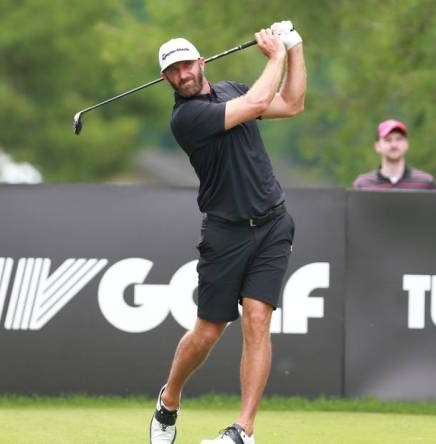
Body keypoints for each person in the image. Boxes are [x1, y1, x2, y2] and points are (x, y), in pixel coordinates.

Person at [149, 21, 305, 444]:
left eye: (186, 64)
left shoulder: (231, 89)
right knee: (208, 331)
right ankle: (169, 399)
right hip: (226, 232)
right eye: (172, 71)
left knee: (258, 321)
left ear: (201, 62)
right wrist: (274, 56)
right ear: (166, 79)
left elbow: (292, 103)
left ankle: (243, 430)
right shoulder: (187, 118)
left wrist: (294, 47)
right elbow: (256, 103)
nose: (182, 74)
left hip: (273, 223)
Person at [352, 119, 436, 190]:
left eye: (399, 139)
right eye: (388, 140)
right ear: (377, 146)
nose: (394, 145)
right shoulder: (363, 185)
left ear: (406, 144)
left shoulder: (425, 183)